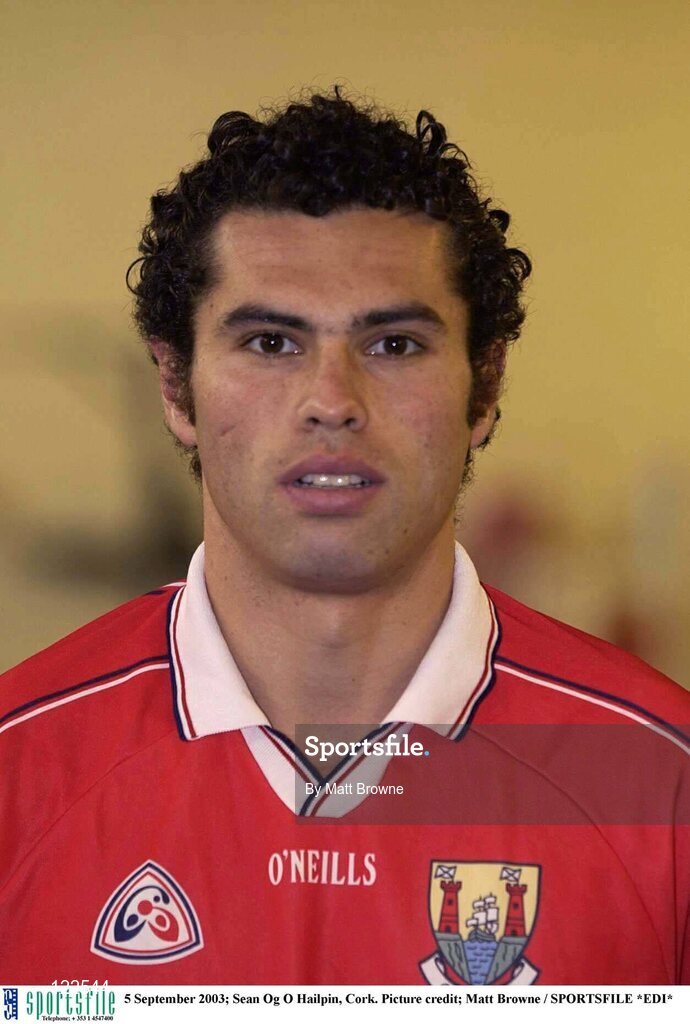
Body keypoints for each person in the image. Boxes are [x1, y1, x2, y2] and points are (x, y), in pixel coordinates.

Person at [1, 89, 687, 986]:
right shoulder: (18, 770)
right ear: (175, 387)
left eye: (394, 345)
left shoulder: (658, 778)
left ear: (483, 388)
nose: (332, 400)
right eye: (270, 343)